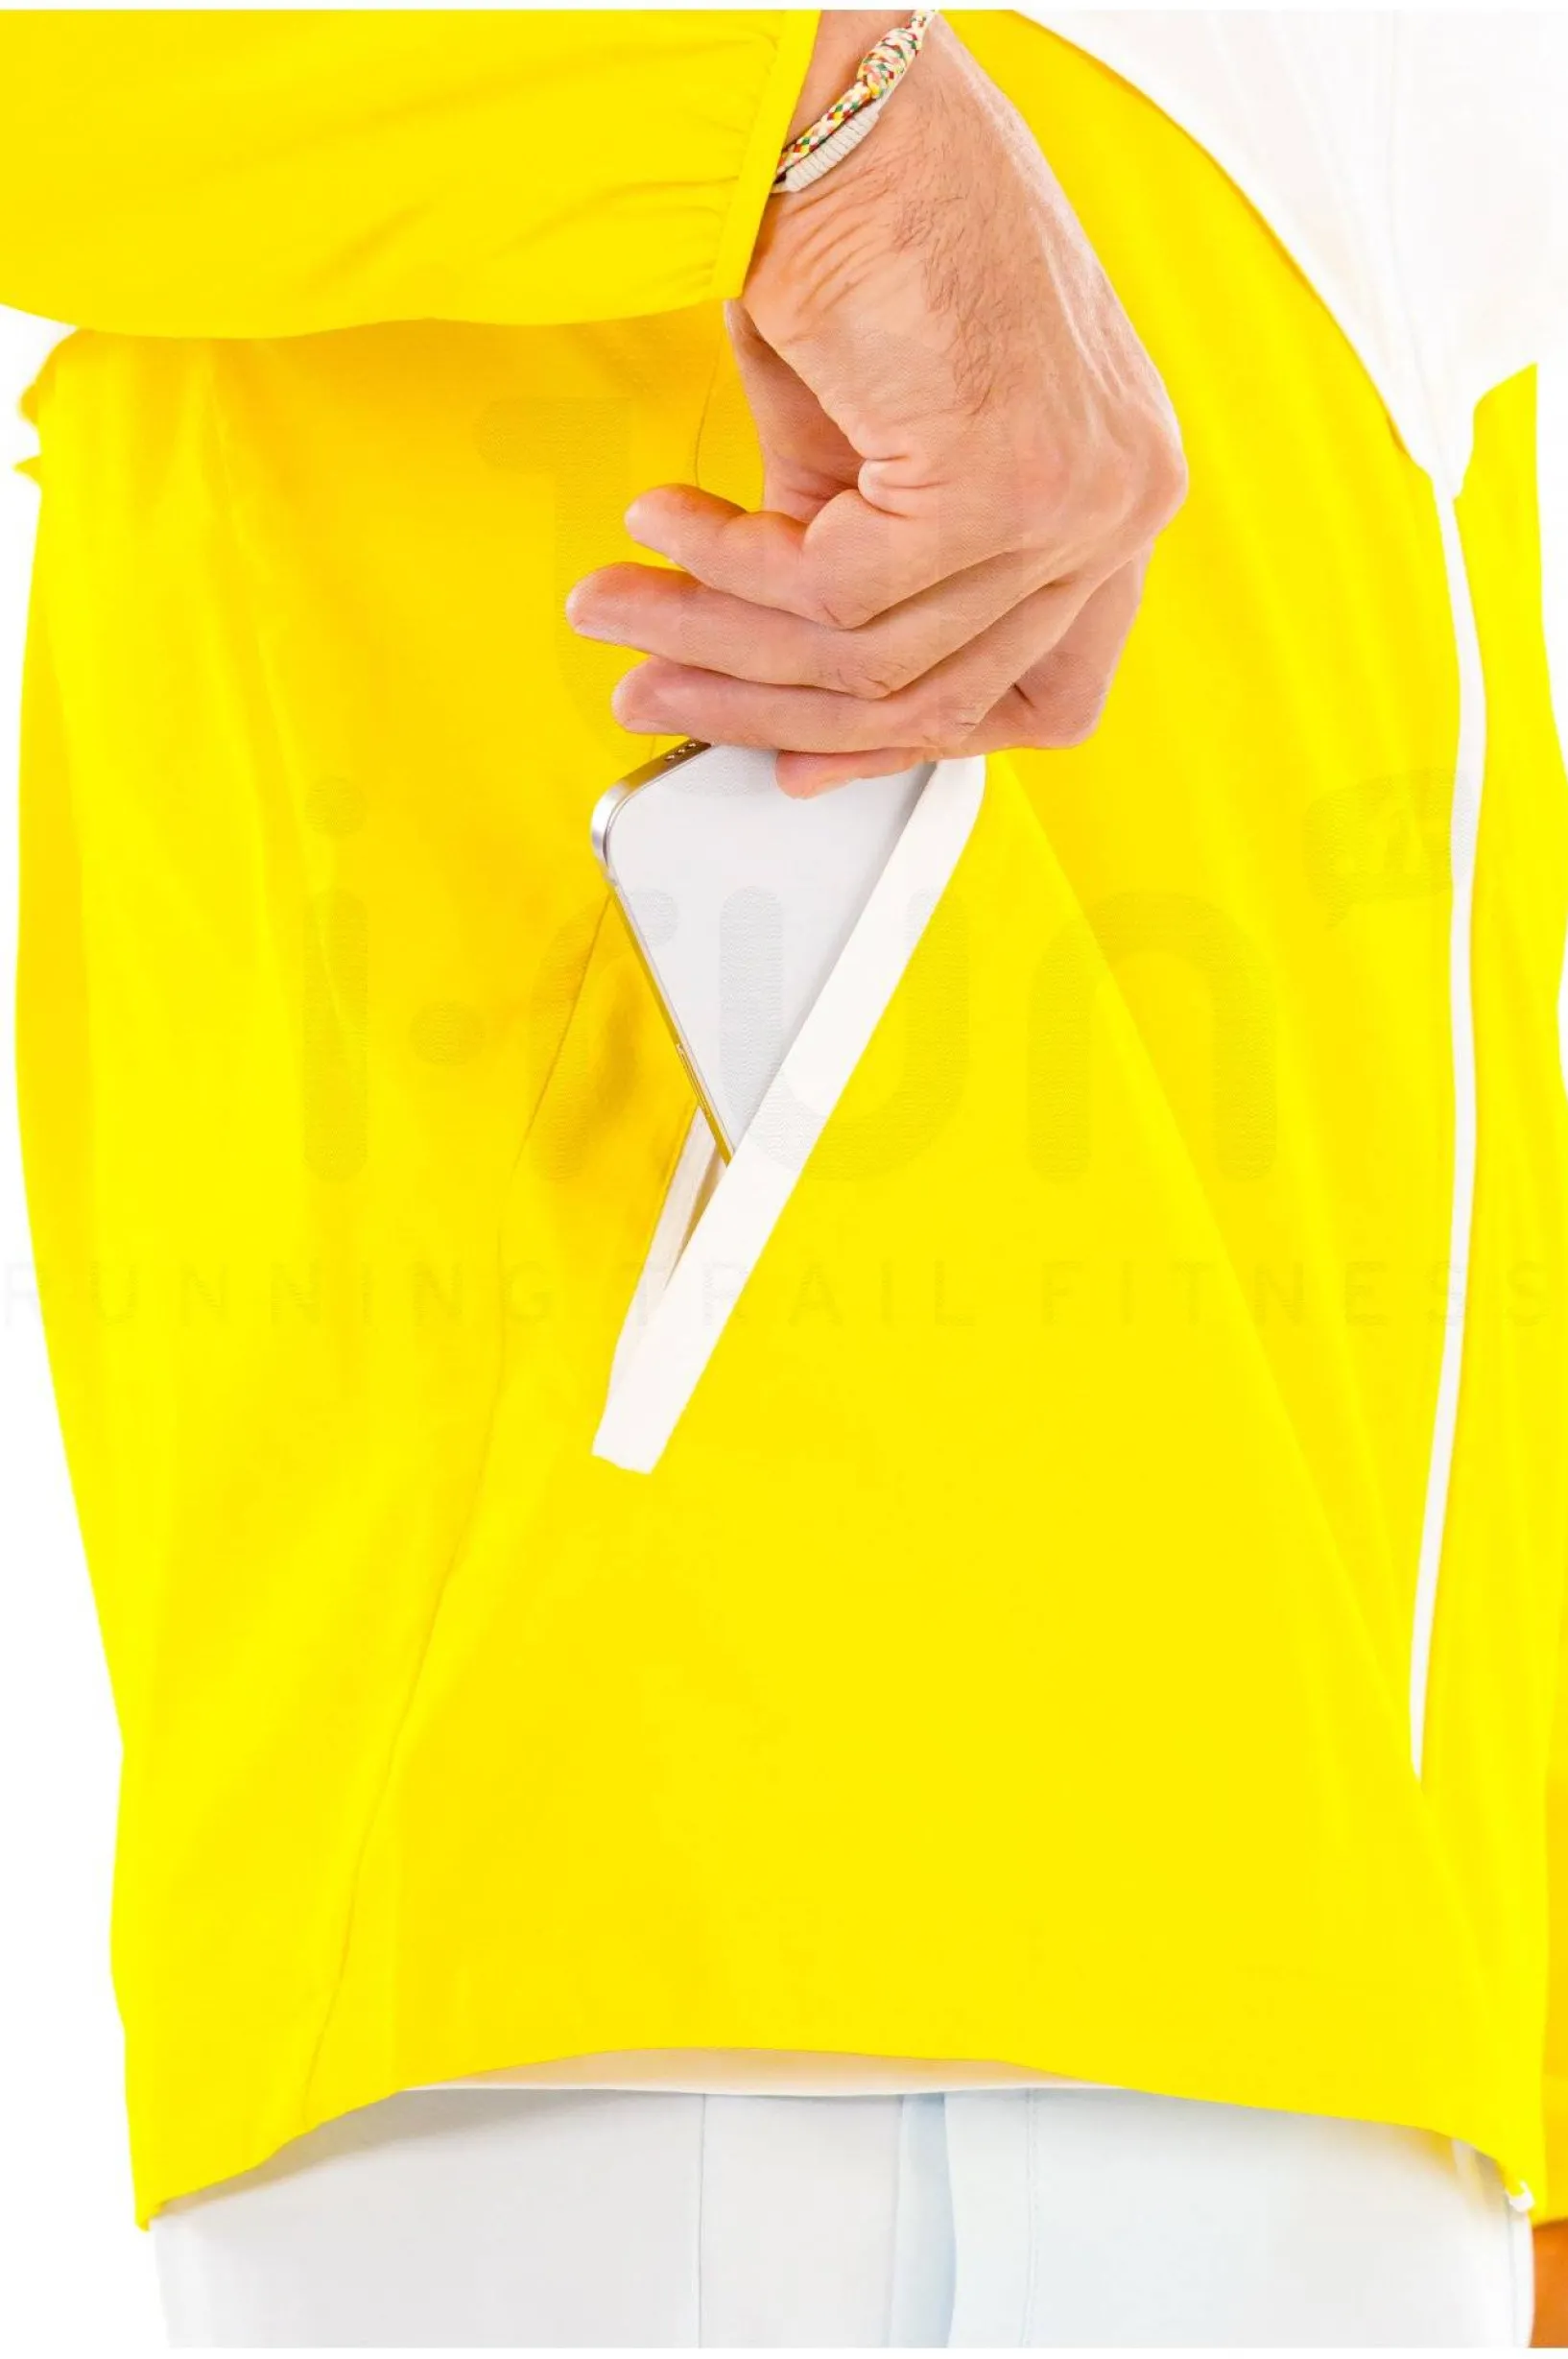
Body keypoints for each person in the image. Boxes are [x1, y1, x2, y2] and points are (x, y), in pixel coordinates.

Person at [3, 6, 1567, 2345]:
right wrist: (809, 113)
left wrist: (1523, 2037)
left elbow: (1448, 994)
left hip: (1351, 2052)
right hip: (611, 1888)